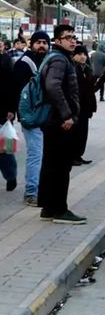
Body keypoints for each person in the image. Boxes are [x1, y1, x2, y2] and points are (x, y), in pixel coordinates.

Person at [38, 25, 85, 224]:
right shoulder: (59, 59)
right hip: (59, 122)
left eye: (74, 37)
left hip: (53, 120)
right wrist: (67, 114)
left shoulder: (60, 58)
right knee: (61, 166)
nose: (72, 41)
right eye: (67, 37)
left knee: (52, 164)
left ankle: (49, 208)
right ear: (57, 41)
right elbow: (53, 86)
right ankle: (59, 209)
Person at [12, 31, 50, 205]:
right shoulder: (24, 64)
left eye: (44, 42)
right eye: (38, 42)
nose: (42, 45)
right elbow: (17, 92)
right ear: (31, 44)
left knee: (41, 155)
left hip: (45, 117)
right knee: (35, 154)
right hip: (31, 117)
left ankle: (40, 189)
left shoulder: (46, 61)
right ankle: (31, 192)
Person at [71, 45, 96, 166]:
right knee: (75, 132)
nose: (83, 57)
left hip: (86, 106)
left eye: (84, 54)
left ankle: (79, 155)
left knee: (83, 132)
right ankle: (72, 156)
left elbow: (90, 88)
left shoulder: (87, 69)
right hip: (76, 106)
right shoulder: (72, 68)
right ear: (74, 55)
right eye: (80, 54)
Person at [0, 40, 16, 192]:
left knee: (6, 149)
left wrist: (12, 109)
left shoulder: (6, 61)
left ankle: (11, 176)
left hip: (3, 112)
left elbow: (13, 87)